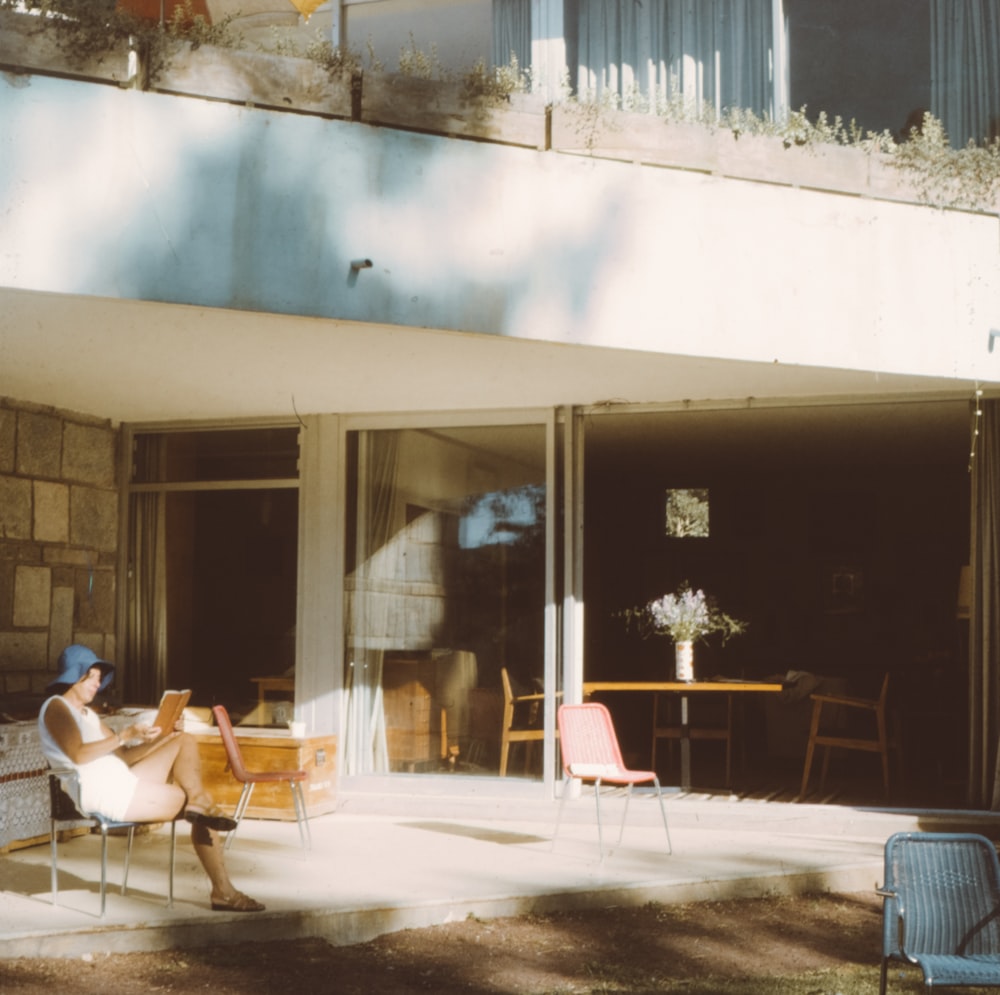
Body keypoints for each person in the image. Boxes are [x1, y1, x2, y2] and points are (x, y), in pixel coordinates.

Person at [38, 644, 264, 913]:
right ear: (76, 677)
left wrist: (161, 735)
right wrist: (123, 735)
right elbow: (77, 754)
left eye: (100, 678)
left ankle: (200, 805)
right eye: (93, 676)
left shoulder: (89, 715)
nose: (98, 684)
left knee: (183, 740)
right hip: (102, 791)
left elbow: (124, 757)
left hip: (121, 777)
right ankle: (223, 891)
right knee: (200, 806)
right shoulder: (56, 707)